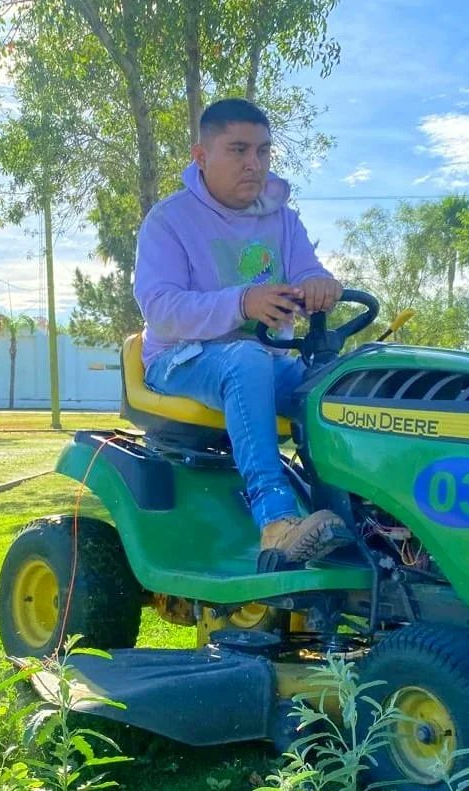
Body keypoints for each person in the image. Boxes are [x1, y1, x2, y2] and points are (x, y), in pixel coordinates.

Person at [133, 97, 350, 565]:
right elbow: (161, 309)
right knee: (246, 358)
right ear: (201, 156)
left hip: (267, 360)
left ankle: (362, 516)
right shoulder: (169, 221)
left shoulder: (282, 219)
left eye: (263, 151)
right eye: (238, 150)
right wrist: (242, 301)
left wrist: (319, 284)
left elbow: (308, 269)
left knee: (344, 382)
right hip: (180, 359)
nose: (254, 164)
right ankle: (276, 522)